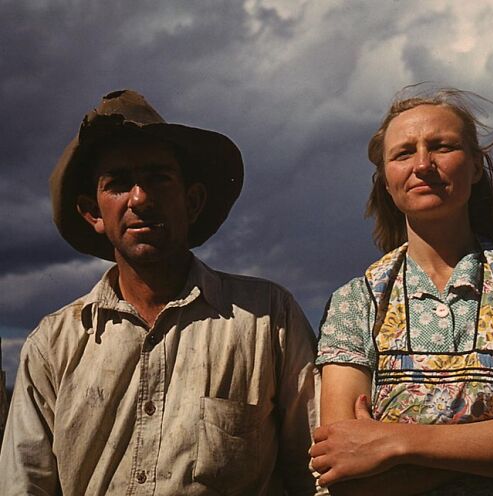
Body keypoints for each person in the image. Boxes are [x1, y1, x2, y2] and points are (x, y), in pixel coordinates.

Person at [0, 90, 319, 495]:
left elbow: (315, 473)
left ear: (192, 200)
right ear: (93, 213)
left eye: (158, 178)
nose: (140, 198)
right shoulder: (53, 345)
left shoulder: (268, 318)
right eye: (117, 184)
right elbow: (24, 484)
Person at [311, 87, 493, 495]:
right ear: (386, 181)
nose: (423, 165)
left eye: (441, 147)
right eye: (403, 153)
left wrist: (395, 443)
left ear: (478, 166)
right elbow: (344, 473)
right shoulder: (355, 302)